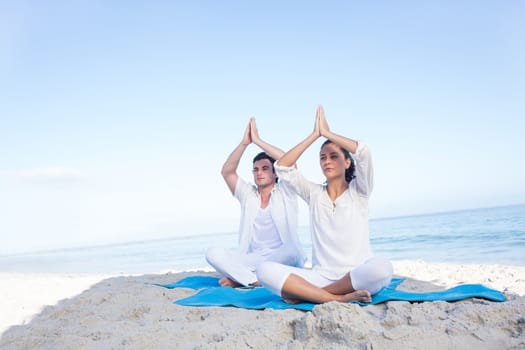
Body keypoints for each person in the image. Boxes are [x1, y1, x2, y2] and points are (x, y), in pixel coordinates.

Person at [257, 105, 393, 304]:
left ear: (347, 162)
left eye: (333, 156)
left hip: (356, 275)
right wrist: (314, 135)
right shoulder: (314, 194)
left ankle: (314, 295)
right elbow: (282, 167)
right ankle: (337, 298)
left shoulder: (360, 191)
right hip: (320, 277)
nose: (327, 161)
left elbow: (363, 152)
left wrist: (328, 133)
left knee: (382, 268)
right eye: (322, 158)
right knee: (264, 270)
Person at [206, 117, 306, 287]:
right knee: (212, 253)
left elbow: (290, 161)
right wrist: (244, 144)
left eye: (265, 168)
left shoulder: (286, 191)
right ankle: (253, 280)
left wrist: (258, 141)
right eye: (256, 169)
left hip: (282, 256)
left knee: (292, 250)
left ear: (276, 174)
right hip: (254, 258)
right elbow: (227, 171)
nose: (259, 173)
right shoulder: (248, 194)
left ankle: (241, 278)